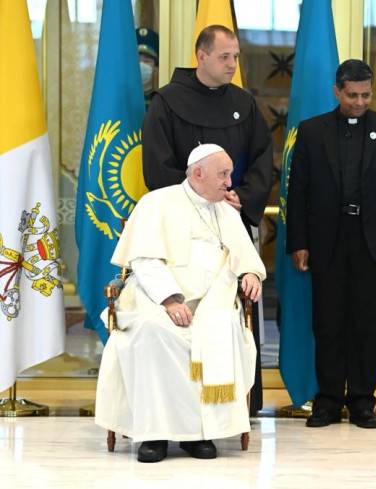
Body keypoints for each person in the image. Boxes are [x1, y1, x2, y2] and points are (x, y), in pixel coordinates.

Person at [94, 144, 266, 463]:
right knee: (151, 330)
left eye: (229, 174)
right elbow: (143, 260)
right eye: (223, 174)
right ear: (198, 173)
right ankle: (154, 435)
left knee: (217, 329)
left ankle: (198, 435)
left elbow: (246, 257)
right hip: (156, 297)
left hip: (215, 300)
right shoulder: (156, 202)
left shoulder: (227, 211)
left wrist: (252, 274)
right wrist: (170, 300)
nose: (229, 183)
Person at [141, 24, 273, 413]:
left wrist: (240, 196)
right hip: (180, 227)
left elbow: (263, 158)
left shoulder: (244, 104)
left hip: (229, 217)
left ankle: (232, 408)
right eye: (224, 57)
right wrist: (196, 197)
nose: (233, 64)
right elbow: (156, 163)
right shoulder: (167, 102)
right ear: (201, 56)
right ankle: (173, 411)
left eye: (236, 57)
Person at [285, 59, 376, 429]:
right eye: (352, 95)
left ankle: (362, 402)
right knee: (327, 323)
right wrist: (298, 242)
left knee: (366, 324)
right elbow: (298, 192)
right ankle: (327, 401)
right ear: (337, 91)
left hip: (372, 240)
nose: (360, 102)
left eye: (366, 95)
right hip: (326, 238)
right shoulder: (312, 131)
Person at [136, 27, 159, 109]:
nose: (141, 64)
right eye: (137, 60)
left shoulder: (159, 101)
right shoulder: (122, 100)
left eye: (147, 61)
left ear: (156, 69)